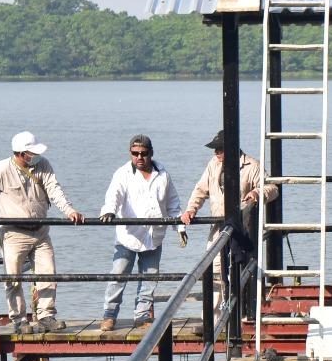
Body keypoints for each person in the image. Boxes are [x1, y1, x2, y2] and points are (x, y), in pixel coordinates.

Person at [0, 131, 84, 334]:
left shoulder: (43, 165)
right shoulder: (0, 169)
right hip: (13, 233)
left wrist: (69, 210)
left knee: (48, 272)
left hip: (41, 231)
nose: (36, 156)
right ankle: (19, 319)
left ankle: (46, 315)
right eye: (32, 153)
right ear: (21, 153)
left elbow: (54, 189)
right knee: (13, 277)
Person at [97, 135, 188, 331]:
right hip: (128, 235)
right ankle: (109, 315)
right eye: (135, 153)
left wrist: (179, 227)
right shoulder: (123, 173)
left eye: (143, 153)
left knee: (149, 278)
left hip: (153, 235)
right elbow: (114, 195)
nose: (139, 157)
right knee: (118, 276)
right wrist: (108, 211)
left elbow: (173, 203)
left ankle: (142, 315)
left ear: (151, 153)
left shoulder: (163, 174)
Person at [179, 130, 277, 308]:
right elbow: (201, 190)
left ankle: (244, 310)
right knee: (215, 268)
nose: (216, 153)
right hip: (218, 228)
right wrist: (190, 210)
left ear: (231, 148)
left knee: (243, 267)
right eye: (214, 149)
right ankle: (215, 318)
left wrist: (257, 192)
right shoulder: (213, 165)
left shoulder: (252, 165)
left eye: (219, 149)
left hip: (243, 229)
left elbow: (272, 187)